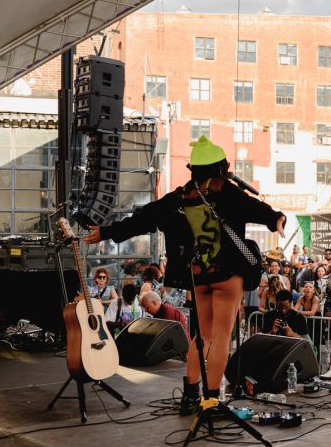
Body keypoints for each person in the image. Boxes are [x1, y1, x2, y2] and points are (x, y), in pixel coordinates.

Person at [85, 135, 285, 415]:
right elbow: (257, 209)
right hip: (227, 276)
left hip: (197, 277)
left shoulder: (178, 198)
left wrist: (107, 232)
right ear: (220, 168)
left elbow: (144, 218)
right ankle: (212, 399)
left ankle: (191, 395)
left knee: (201, 336)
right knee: (221, 337)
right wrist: (276, 219)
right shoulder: (228, 192)